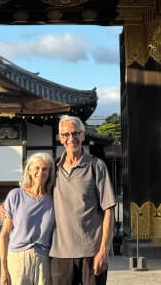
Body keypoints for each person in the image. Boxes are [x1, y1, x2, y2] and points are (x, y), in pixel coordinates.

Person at [50, 116, 115, 285]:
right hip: (60, 253)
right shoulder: (53, 168)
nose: (71, 139)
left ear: (83, 135)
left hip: (91, 252)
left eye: (75, 133)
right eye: (65, 134)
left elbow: (109, 209)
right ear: (60, 138)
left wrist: (104, 251)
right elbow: (33, 193)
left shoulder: (96, 166)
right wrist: (10, 206)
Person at [0, 153, 56, 285]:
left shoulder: (54, 199)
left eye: (45, 169)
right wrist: (3, 269)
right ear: (29, 170)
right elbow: (4, 235)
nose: (40, 172)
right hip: (18, 259)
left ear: (50, 172)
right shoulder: (16, 195)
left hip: (44, 259)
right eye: (36, 168)